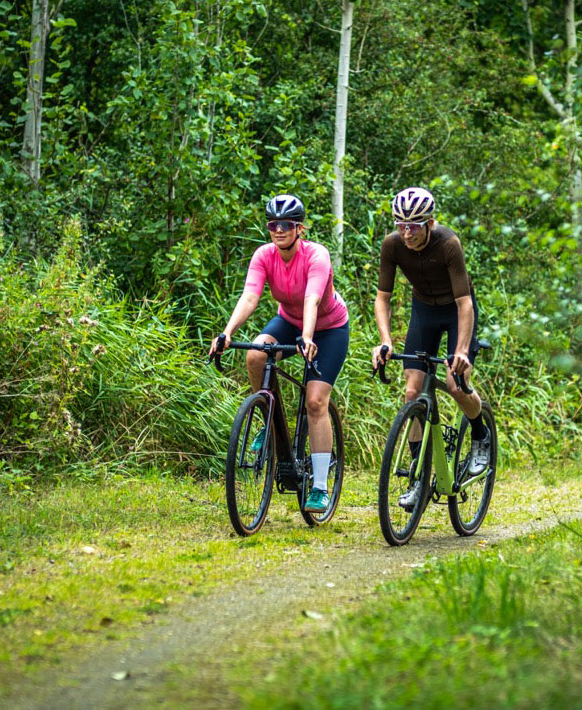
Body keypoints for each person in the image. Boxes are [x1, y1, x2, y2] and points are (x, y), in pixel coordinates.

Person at [209, 194, 349, 514]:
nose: (279, 230)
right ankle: (269, 423)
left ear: (299, 228)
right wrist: (227, 333)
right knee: (256, 355)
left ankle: (320, 488)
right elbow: (249, 297)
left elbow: (313, 299)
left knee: (315, 401)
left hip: (328, 329)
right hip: (288, 320)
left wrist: (308, 337)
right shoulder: (264, 255)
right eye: (273, 224)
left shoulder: (317, 255)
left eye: (286, 225)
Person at [371, 187, 489, 510]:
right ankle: (419, 479)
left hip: (455, 312)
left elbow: (465, 305)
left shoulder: (448, 244)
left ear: (430, 223)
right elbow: (383, 298)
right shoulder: (392, 245)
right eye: (400, 224)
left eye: (414, 225)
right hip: (424, 311)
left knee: (454, 383)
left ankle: (480, 435)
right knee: (412, 392)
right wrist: (385, 340)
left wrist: (462, 351)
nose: (406, 232)